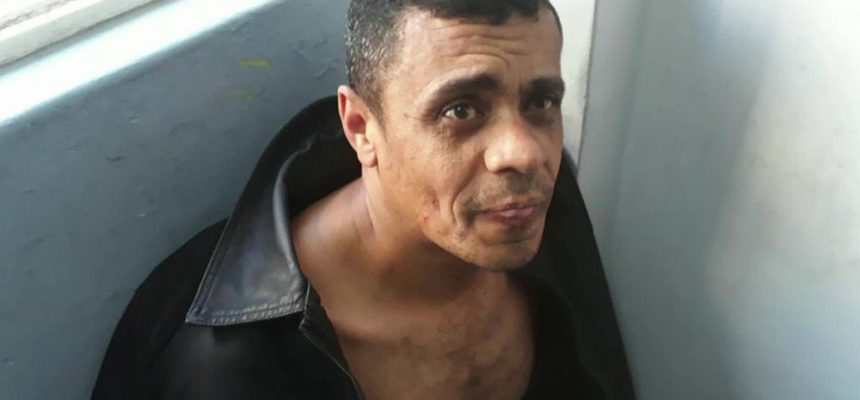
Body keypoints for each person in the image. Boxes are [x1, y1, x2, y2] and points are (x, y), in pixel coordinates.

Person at [92, 0, 634, 399]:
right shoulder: (225, 363)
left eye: (540, 102)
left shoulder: (531, 203)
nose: (523, 153)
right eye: (461, 110)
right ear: (359, 127)